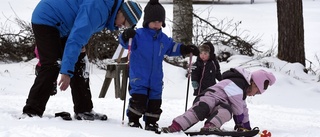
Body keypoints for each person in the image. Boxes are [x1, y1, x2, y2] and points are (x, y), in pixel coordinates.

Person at [22, 0, 143, 120]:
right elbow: (76, 37)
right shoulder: (99, 9)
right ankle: (32, 111)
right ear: (122, 12)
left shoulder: (107, 9)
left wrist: (81, 44)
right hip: (47, 18)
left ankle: (84, 109)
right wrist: (66, 72)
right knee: (52, 65)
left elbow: (82, 28)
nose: (121, 26)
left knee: (80, 61)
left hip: (63, 24)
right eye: (124, 23)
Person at [118, 0, 200, 132]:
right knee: (138, 100)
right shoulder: (138, 35)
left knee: (155, 103)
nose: (157, 24)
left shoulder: (163, 38)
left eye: (159, 22)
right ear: (147, 21)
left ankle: (151, 123)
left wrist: (185, 48)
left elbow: (172, 47)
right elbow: (125, 43)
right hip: (139, 77)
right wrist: (125, 36)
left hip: (156, 79)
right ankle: (133, 120)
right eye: (154, 21)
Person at [161, 67, 276, 133]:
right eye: (257, 92)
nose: (254, 95)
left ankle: (211, 125)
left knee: (226, 112)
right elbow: (237, 107)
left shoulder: (241, 91)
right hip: (209, 97)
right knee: (201, 110)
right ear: (254, 84)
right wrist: (239, 121)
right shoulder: (236, 83)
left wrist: (246, 127)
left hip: (220, 105)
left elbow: (243, 108)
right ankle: (176, 126)